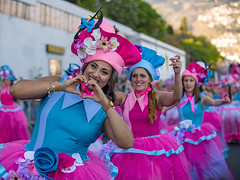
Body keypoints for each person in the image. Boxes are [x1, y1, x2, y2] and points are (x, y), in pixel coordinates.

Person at [0, 11, 142, 180]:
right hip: (29, 168)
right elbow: (17, 90)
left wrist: (106, 103)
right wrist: (59, 86)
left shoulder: (103, 111)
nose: (96, 74)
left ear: (109, 79)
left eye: (104, 72)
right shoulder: (58, 84)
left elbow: (126, 142)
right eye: (93, 66)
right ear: (85, 67)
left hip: (73, 175)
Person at [102, 45, 191, 180]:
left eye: (143, 76)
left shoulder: (157, 97)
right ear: (130, 79)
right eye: (135, 76)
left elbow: (176, 96)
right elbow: (104, 95)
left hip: (153, 152)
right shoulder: (123, 98)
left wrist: (177, 73)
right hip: (127, 150)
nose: (138, 79)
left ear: (150, 78)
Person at [170, 61, 233, 180]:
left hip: (198, 137)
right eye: (186, 80)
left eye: (191, 80)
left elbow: (214, 102)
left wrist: (223, 101)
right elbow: (164, 106)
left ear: (196, 83)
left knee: (201, 165)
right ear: (182, 82)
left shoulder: (202, 99)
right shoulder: (178, 99)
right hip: (181, 136)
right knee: (185, 165)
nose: (188, 83)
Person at [0, 65, 30, 143]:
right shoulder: (1, 88)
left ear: (10, 81)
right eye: (5, 80)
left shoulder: (13, 89)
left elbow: (21, 92)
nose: (6, 81)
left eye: (8, 80)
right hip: (3, 110)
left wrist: (22, 81)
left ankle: (13, 143)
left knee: (13, 128)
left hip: (12, 111)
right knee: (3, 128)